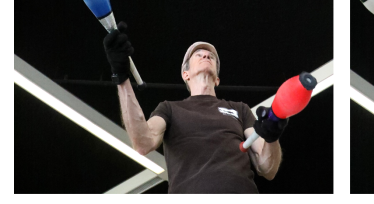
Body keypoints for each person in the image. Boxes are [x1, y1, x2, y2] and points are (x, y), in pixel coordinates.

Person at [104, 22, 288, 193]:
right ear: (186, 74)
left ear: (217, 79)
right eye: (198, 55)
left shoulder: (240, 109)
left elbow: (267, 168)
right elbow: (143, 143)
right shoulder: (169, 109)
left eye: (211, 57)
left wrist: (272, 137)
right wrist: (121, 78)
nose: (206, 56)